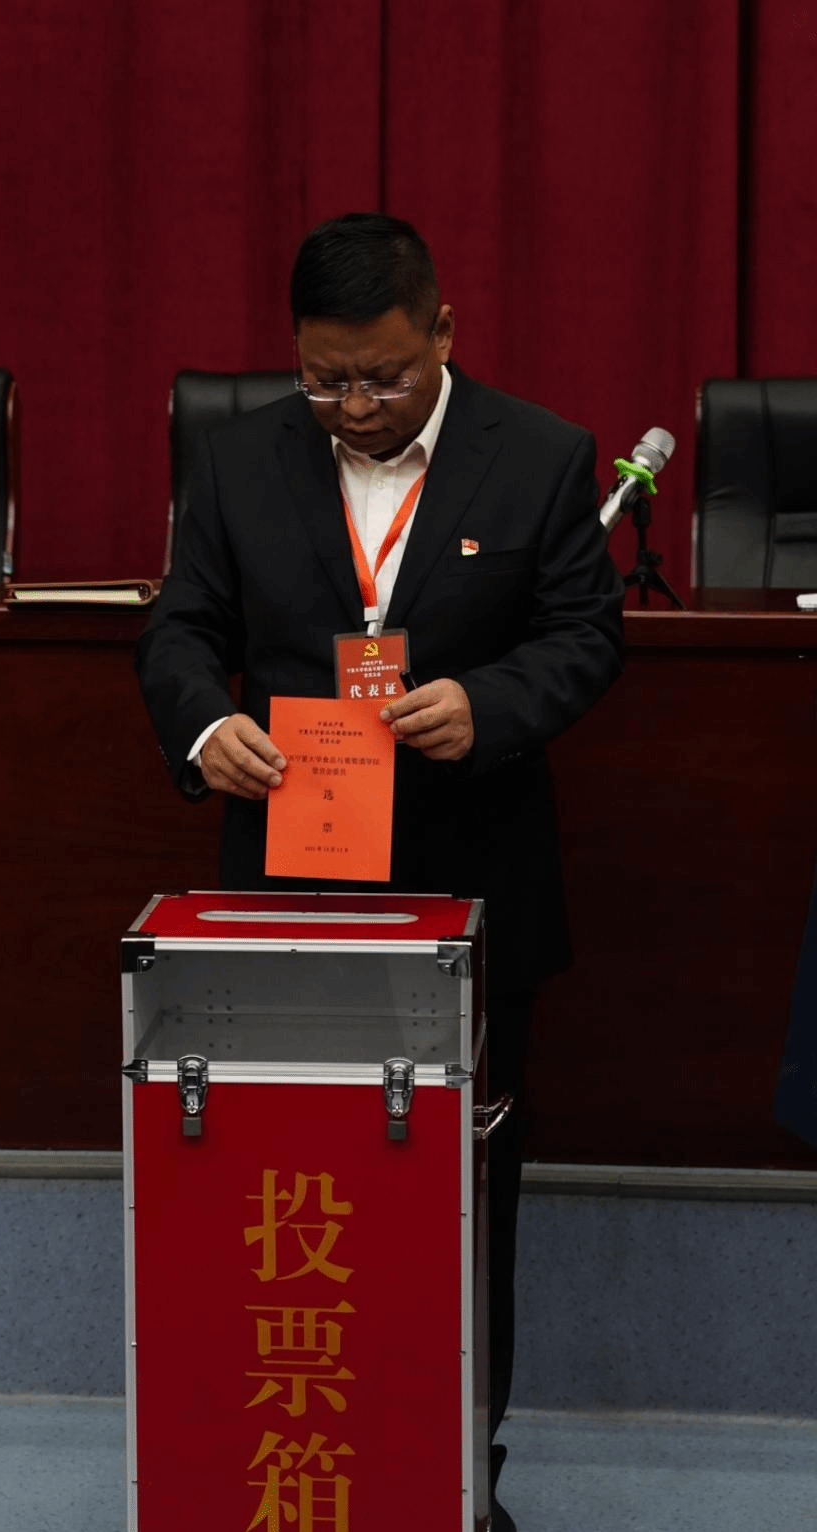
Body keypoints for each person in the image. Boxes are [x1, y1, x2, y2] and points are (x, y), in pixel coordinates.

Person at [137, 212, 624, 1529]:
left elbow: (588, 635)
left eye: (384, 378)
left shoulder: (541, 455)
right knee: (292, 1185)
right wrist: (204, 726)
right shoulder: (240, 460)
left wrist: (492, 702)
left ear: (443, 333)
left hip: (472, 887)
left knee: (464, 1199)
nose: (354, 408)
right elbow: (180, 628)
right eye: (325, 380)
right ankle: (301, 1453)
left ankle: (460, 1473)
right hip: (287, 895)